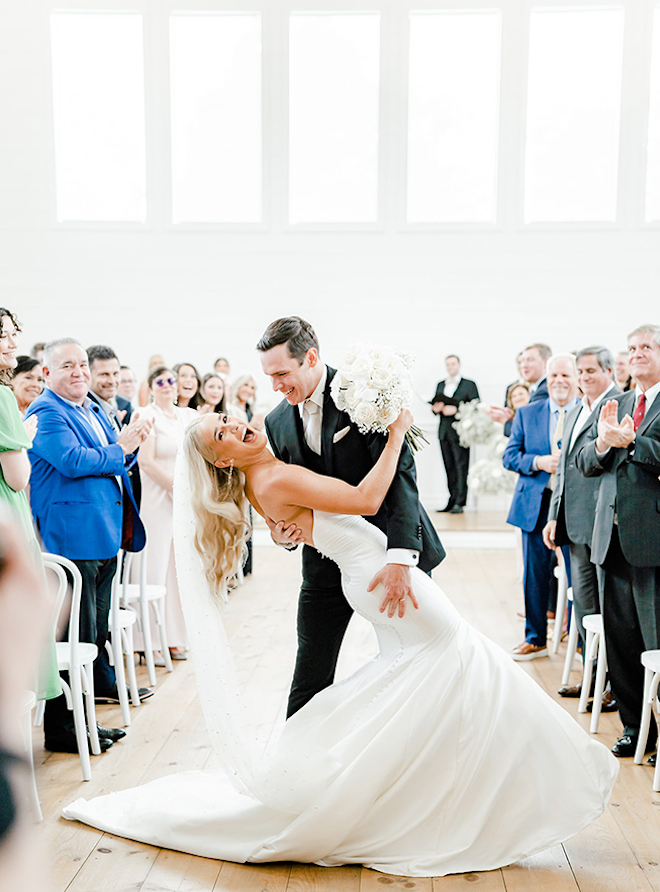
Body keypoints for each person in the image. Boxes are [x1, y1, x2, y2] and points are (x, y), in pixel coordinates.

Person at [63, 408, 618, 877]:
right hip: (381, 578)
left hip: (373, 579)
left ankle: (445, 796)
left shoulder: (267, 474)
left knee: (441, 679)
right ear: (223, 461)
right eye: (222, 436)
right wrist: (399, 432)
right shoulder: (274, 480)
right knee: (463, 664)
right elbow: (366, 496)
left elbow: (315, 517)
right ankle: (506, 793)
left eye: (228, 419)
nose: (235, 427)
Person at [257, 317, 444, 717]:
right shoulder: (276, 422)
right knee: (310, 668)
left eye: (282, 374)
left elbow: (400, 479)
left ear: (310, 358)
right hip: (324, 563)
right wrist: (284, 534)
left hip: (388, 556)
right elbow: (296, 498)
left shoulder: (366, 393)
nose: (275, 386)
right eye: (269, 376)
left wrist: (400, 559)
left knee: (417, 660)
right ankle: (294, 767)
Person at [26, 338, 153, 753]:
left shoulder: (92, 408)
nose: (79, 372)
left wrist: (127, 445)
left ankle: (86, 721)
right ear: (47, 373)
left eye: (82, 364)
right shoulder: (46, 412)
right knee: (72, 638)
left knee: (94, 636)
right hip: (72, 539)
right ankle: (63, 729)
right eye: (68, 366)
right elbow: (74, 461)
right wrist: (122, 447)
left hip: (103, 534)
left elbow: (115, 457)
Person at [576, 324, 660, 761]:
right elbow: (583, 461)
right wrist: (606, 446)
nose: (637, 354)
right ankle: (634, 728)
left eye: (646, 346)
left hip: (653, 542)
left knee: (655, 641)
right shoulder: (619, 402)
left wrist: (634, 443)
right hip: (611, 539)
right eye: (632, 348)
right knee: (622, 640)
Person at [543, 347, 619, 705]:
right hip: (573, 524)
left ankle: (614, 688)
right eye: (581, 372)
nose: (585, 377)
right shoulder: (575, 409)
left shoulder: (617, 404)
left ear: (609, 371)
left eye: (592, 371)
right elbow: (564, 470)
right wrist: (554, 514)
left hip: (603, 523)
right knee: (586, 608)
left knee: (609, 611)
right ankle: (592, 677)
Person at [503, 354, 579, 660]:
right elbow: (510, 456)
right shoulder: (528, 413)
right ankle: (535, 638)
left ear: (575, 379)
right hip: (535, 501)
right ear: (546, 380)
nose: (559, 381)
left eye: (565, 376)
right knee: (534, 574)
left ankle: (578, 640)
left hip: (573, 504)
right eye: (554, 376)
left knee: (576, 574)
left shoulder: (586, 411)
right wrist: (538, 462)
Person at [136, 367, 197, 660]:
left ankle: (174, 637)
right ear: (150, 387)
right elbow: (145, 461)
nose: (167, 386)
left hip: (184, 500)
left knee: (178, 568)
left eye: (171, 380)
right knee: (155, 567)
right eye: (160, 382)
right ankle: (150, 642)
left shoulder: (188, 416)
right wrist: (175, 487)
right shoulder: (146, 416)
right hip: (158, 498)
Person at [429, 355, 479, 513]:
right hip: (444, 432)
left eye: (453, 363)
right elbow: (436, 406)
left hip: (461, 432)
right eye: (447, 364)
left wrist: (457, 410)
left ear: (458, 365)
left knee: (461, 466)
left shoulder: (469, 385)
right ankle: (451, 500)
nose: (450, 366)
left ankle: (460, 501)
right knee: (449, 466)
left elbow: (476, 406)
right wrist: (435, 409)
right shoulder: (440, 384)